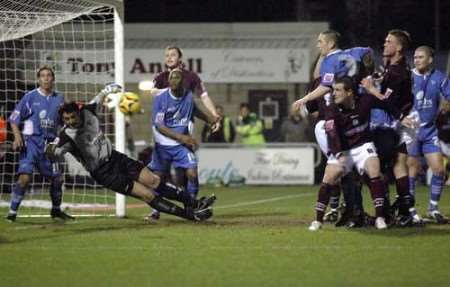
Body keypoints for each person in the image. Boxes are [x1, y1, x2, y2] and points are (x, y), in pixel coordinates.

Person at [46, 83, 216, 222]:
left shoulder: (88, 110)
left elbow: (98, 99)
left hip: (116, 158)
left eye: (72, 117)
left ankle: (194, 203)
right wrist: (51, 150)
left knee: (154, 180)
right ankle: (190, 215)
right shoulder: (65, 136)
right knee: (147, 195)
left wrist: (107, 90)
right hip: (104, 173)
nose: (70, 122)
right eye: (66, 120)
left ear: (78, 113)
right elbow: (57, 152)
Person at [309, 77, 387, 231]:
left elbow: (386, 103)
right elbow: (331, 134)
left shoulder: (365, 101)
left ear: (349, 92)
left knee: (374, 169)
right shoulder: (332, 109)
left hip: (362, 146)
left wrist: (401, 116)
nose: (334, 93)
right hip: (343, 150)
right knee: (329, 177)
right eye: (333, 90)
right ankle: (317, 221)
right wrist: (338, 154)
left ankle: (380, 217)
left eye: (338, 90)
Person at [6, 65, 73, 222]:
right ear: (38, 79)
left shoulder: (60, 99)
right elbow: (13, 120)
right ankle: (12, 213)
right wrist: (17, 137)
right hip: (30, 144)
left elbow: (67, 121)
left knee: (58, 179)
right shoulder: (30, 97)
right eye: (42, 75)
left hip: (49, 146)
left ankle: (56, 211)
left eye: (49, 75)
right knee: (24, 178)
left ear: (53, 78)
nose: (46, 78)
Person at [361, 29, 415, 224]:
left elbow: (386, 101)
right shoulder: (393, 69)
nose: (384, 44)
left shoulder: (397, 73)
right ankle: (404, 211)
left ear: (399, 47)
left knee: (369, 168)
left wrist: (371, 89)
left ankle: (385, 212)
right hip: (392, 123)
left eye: (389, 41)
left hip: (385, 126)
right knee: (398, 165)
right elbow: (406, 98)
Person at [149, 69, 218, 219]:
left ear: (183, 81)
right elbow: (160, 126)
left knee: (192, 173)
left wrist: (210, 119)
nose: (173, 80)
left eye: (177, 77)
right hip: (163, 144)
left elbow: (195, 110)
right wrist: (181, 137)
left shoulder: (188, 95)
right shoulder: (161, 98)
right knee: (157, 178)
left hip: (180, 145)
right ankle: (155, 211)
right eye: (171, 77)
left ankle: (190, 206)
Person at [406, 46, 450, 224]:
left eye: (420, 57)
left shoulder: (439, 77)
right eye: (415, 57)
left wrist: (444, 108)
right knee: (413, 170)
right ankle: (410, 210)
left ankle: (433, 208)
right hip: (411, 131)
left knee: (439, 170)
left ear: (430, 59)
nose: (416, 60)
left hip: (430, 130)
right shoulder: (408, 77)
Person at [150, 45, 220, 127]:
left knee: (184, 138)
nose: (169, 58)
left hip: (185, 121)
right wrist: (171, 91)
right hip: (165, 120)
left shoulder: (191, 76)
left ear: (180, 58)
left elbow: (204, 97)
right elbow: (153, 92)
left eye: (173, 55)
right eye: (167, 56)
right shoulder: (161, 76)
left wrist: (214, 114)